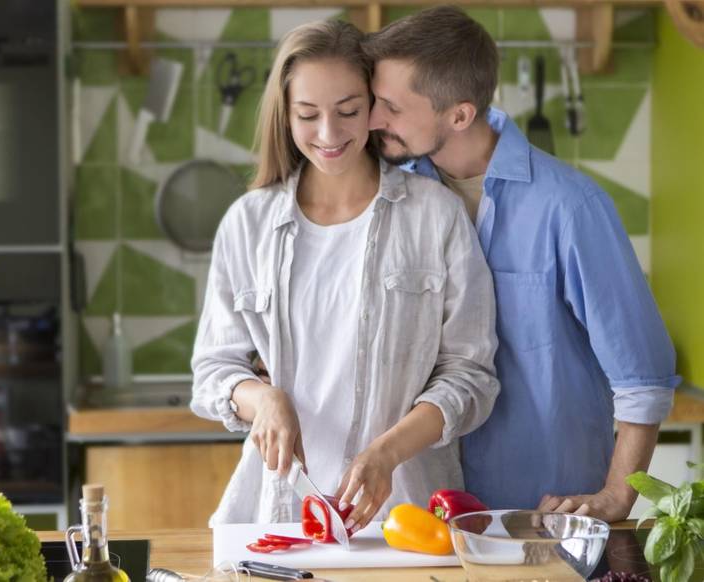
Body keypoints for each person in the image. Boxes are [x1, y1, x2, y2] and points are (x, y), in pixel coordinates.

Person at [362, 5, 680, 522]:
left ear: (460, 115)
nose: (375, 120)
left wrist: (617, 496)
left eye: (392, 108)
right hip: (420, 514)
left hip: (543, 515)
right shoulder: (392, 198)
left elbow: (643, 374)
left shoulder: (569, 206)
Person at [190, 19, 499, 531]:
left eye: (349, 111)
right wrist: (263, 401)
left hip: (411, 516)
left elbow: (471, 377)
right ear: (284, 115)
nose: (329, 134)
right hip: (278, 516)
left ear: (374, 106)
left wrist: (386, 453)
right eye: (307, 115)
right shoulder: (248, 224)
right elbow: (213, 371)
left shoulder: (434, 215)